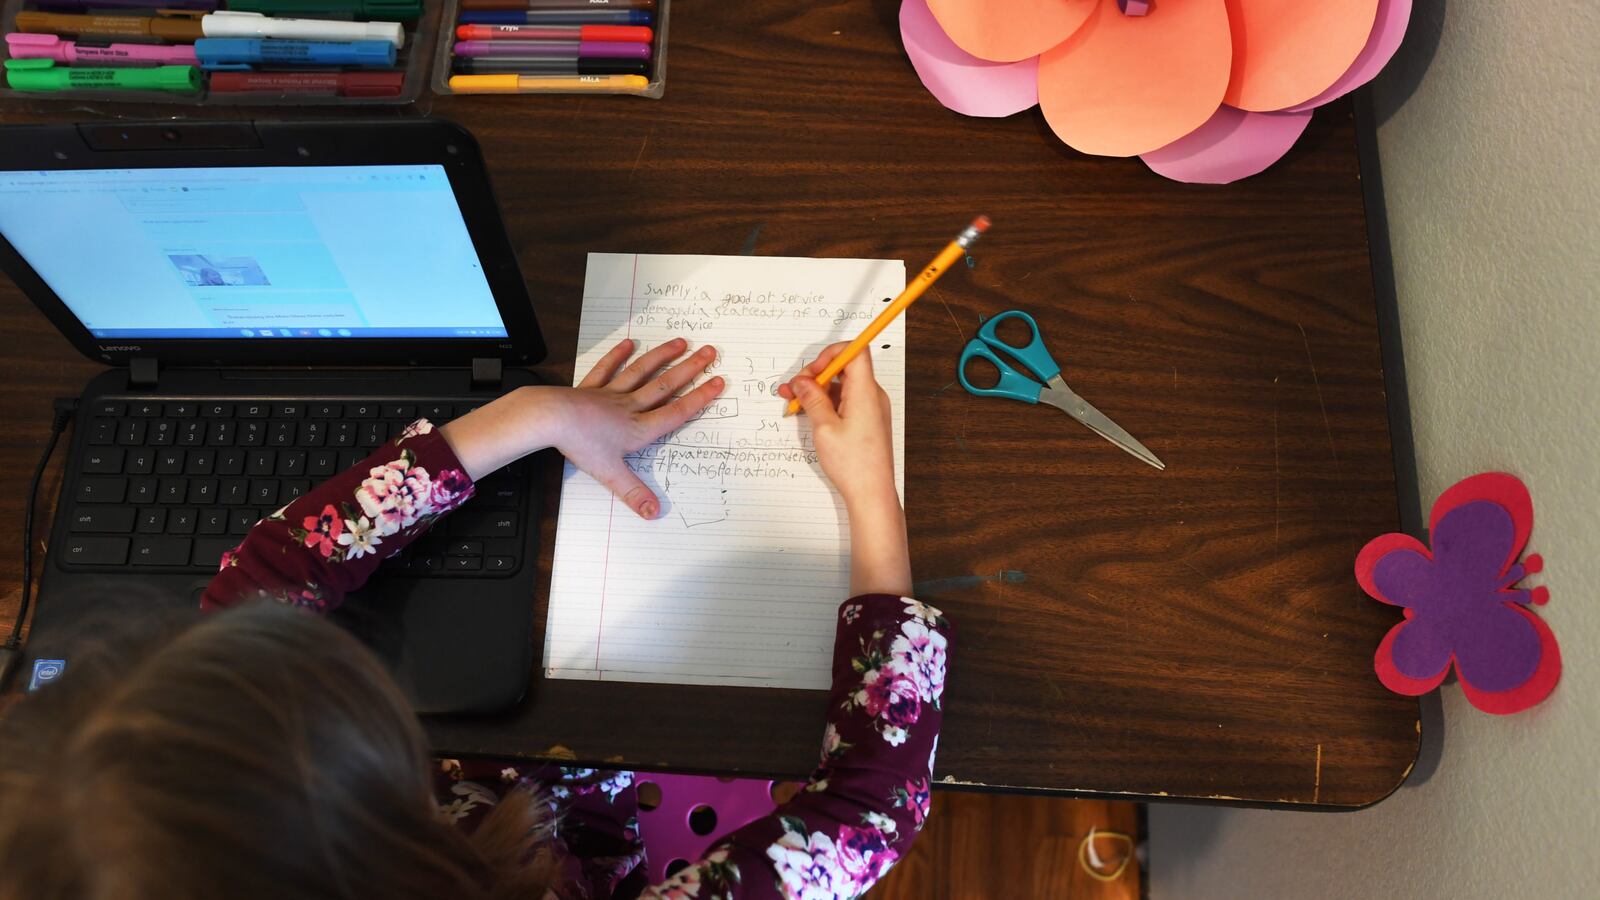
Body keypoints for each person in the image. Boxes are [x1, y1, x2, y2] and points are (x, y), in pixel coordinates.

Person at [0, 339, 950, 900]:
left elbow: (268, 572)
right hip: (570, 847)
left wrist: (533, 414)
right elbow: (869, 809)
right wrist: (873, 495)